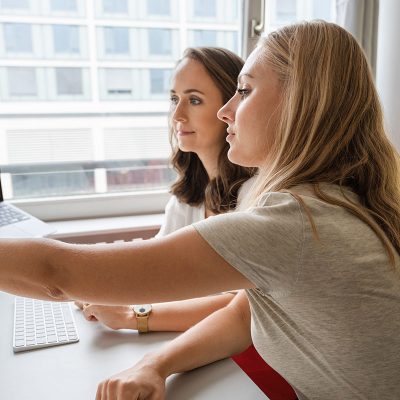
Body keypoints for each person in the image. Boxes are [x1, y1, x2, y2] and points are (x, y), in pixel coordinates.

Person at [1, 20, 399, 400]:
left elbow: (58, 274)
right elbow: (244, 315)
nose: (227, 111)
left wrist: (134, 318)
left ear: (300, 103)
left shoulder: (296, 221)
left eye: (243, 91)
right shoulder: (340, 200)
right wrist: (155, 364)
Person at [75, 46, 256, 334]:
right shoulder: (188, 198)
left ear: (230, 109)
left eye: (194, 100)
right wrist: (92, 284)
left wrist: (134, 315)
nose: (177, 116)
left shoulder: (257, 197)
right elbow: (152, 266)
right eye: (175, 99)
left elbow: (240, 307)